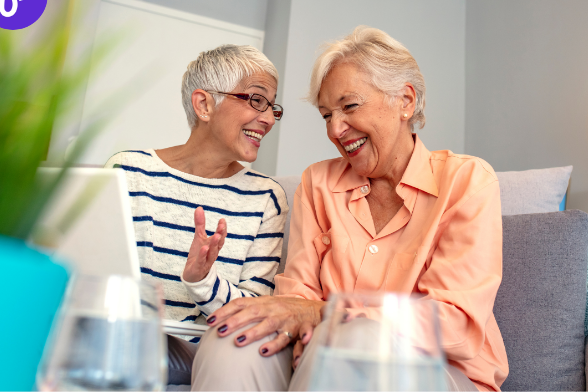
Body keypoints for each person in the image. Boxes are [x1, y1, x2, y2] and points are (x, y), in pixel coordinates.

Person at [191, 27, 509, 391]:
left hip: (441, 374)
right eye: (326, 115)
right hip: (319, 359)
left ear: (405, 101)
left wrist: (326, 314)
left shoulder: (467, 180)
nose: (336, 129)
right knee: (234, 335)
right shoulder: (318, 184)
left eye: (350, 106)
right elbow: (297, 296)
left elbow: (455, 324)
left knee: (354, 341)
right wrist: (304, 315)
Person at [104, 44, 289, 385]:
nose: (267, 118)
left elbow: (257, 311)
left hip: (205, 355)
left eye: (272, 106)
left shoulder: (266, 198)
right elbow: (97, 272)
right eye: (256, 100)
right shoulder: (128, 171)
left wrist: (202, 282)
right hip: (124, 338)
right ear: (205, 104)